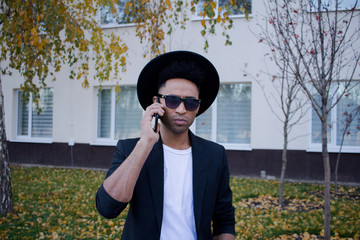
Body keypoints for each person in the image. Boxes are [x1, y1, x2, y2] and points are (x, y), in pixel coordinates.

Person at [96, 51, 235, 240]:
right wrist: (145, 143)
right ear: (156, 103)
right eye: (172, 100)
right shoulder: (130, 149)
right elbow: (107, 207)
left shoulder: (214, 154)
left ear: (198, 108)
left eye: (191, 103)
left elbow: (224, 218)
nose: (181, 109)